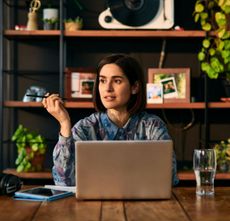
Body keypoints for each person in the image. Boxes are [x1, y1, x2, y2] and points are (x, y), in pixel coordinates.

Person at [42, 54, 179, 186]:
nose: (107, 88)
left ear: (135, 87)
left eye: (117, 81)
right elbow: (64, 181)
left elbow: (169, 178)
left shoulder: (153, 126)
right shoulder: (85, 127)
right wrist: (64, 124)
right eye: (102, 81)